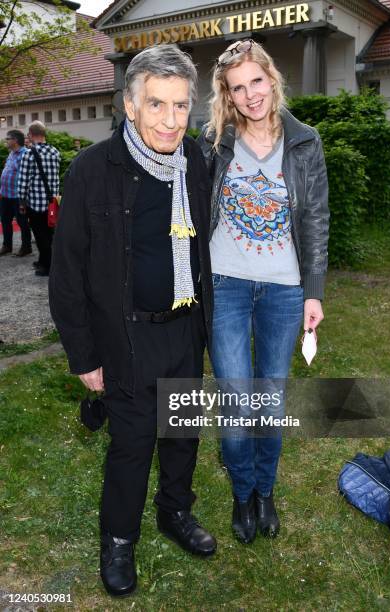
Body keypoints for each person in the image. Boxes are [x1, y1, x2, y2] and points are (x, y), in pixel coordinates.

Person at [49, 44, 216, 598]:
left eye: (180, 106)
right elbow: (67, 273)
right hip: (124, 337)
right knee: (132, 445)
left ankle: (175, 512)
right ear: (129, 105)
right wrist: (84, 356)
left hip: (185, 330)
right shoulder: (93, 170)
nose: (170, 120)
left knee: (182, 435)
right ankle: (118, 541)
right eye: (156, 105)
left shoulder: (195, 161)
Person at [198, 39, 329, 544]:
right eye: (238, 88)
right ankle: (242, 492)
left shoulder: (305, 141)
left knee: (270, 402)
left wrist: (313, 292)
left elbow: (316, 217)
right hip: (227, 285)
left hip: (284, 290)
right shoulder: (215, 142)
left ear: (271, 79)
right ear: (228, 97)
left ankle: (265, 491)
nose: (250, 94)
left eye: (256, 81)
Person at [18, 121, 60, 276]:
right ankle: (43, 261)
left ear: (30, 134)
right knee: (49, 234)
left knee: (40, 236)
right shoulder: (55, 151)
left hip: (35, 203)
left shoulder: (29, 153)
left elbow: (23, 181)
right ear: (44, 134)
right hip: (51, 202)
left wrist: (21, 202)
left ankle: (48, 267)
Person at [0, 129, 32, 256]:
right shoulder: (11, 153)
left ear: (15, 140)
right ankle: (7, 246)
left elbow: (26, 176)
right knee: (5, 220)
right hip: (6, 194)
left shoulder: (25, 154)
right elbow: (7, 171)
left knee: (22, 222)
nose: (6, 141)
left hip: (18, 195)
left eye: (8, 138)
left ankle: (26, 247)